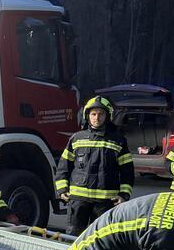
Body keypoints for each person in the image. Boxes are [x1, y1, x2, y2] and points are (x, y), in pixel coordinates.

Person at [55, 96, 135, 235]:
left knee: (100, 239)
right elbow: (63, 166)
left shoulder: (118, 141)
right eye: (93, 114)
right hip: (78, 200)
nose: (96, 118)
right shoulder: (76, 138)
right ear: (87, 115)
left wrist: (123, 195)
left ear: (107, 116)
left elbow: (127, 171)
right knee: (73, 236)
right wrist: (62, 190)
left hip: (105, 202)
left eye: (101, 114)